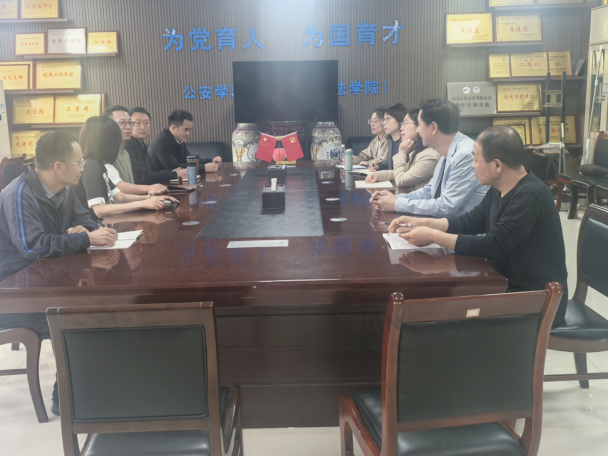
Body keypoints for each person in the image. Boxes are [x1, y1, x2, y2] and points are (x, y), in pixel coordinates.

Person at [388, 126, 569, 325]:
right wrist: (422, 222)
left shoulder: (529, 195)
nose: (473, 165)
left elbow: (494, 244)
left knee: (443, 314)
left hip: (536, 299)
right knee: (439, 305)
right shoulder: (499, 188)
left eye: (476, 159)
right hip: (504, 284)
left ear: (497, 165)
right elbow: (471, 221)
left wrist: (433, 236)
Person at [0, 131, 118, 416]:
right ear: (58, 166)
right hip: (13, 294)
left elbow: (86, 217)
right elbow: (33, 246)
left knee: (99, 306)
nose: (83, 167)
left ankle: (95, 386)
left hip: (42, 280)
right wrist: (84, 238)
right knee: (79, 316)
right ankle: (66, 400)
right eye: (79, 162)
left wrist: (83, 229)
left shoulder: (63, 189)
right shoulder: (19, 194)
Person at [371, 99, 488, 217]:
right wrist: (394, 198)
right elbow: (428, 191)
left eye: (419, 125)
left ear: (433, 127)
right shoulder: (447, 151)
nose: (417, 130)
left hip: (462, 227)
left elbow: (446, 207)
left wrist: (397, 204)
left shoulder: (465, 155)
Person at [74, 116, 179, 220]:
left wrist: (151, 198)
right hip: (95, 227)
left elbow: (120, 197)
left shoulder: (99, 164)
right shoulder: (91, 166)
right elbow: (100, 210)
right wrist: (143, 203)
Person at [366, 108, 441, 192]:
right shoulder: (415, 151)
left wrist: (401, 153)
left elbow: (401, 179)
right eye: (402, 124)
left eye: (406, 123)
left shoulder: (429, 156)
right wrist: (379, 175)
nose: (401, 128)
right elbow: (402, 173)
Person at [104, 105, 168, 196]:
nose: (128, 127)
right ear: (108, 126)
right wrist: (149, 190)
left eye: (130, 123)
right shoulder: (105, 154)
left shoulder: (126, 152)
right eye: (122, 122)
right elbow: (117, 187)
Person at [124, 107, 189, 185]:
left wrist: (172, 172)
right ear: (129, 124)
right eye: (137, 123)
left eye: (146, 123)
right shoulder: (127, 147)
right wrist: (174, 175)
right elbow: (141, 177)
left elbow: (152, 173)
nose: (143, 127)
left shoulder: (142, 145)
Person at [148, 109, 222, 174]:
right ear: (174, 128)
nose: (188, 133)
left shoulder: (179, 138)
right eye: (186, 129)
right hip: (158, 183)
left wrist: (211, 161)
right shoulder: (161, 141)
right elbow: (174, 167)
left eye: (189, 130)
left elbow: (188, 160)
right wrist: (204, 168)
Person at [372, 103, 407, 173]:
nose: (384, 123)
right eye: (384, 119)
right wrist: (379, 166)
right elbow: (391, 164)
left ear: (399, 120)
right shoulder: (390, 140)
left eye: (388, 118)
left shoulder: (406, 142)